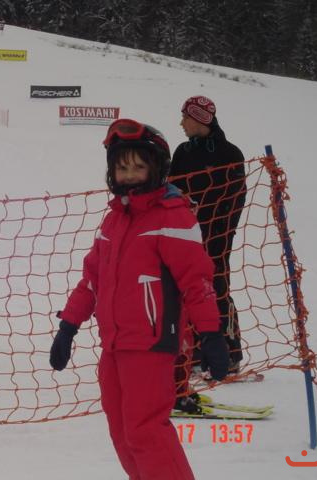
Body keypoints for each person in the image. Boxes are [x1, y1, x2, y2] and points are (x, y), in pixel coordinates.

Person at [49, 118, 229, 480]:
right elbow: (92, 281)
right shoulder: (114, 221)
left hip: (151, 345)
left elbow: (196, 282)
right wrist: (68, 327)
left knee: (145, 430)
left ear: (157, 168)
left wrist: (211, 333)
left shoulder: (172, 217)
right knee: (122, 432)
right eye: (122, 167)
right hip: (114, 345)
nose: (129, 175)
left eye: (138, 166)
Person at [169, 96, 247, 374]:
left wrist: (220, 233)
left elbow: (236, 199)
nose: (181, 123)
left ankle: (229, 352)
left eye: (185, 117)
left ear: (200, 119)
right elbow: (172, 191)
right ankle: (195, 353)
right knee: (187, 290)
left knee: (217, 289)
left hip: (217, 237)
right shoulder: (182, 152)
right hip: (187, 236)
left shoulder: (230, 154)